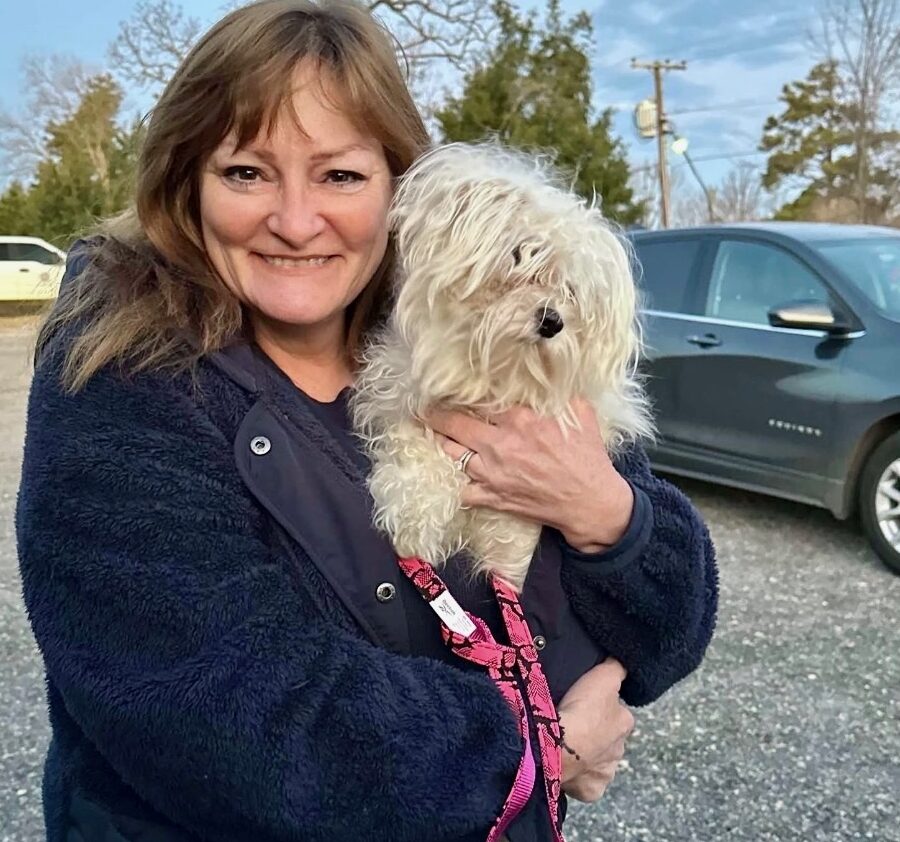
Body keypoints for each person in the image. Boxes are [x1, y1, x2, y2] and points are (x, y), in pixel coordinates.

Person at [15, 1, 718, 840]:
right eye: (246, 172)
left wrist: (607, 515)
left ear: (398, 186)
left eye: (340, 176)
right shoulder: (122, 376)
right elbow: (221, 717)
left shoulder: (472, 318)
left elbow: (669, 635)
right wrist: (537, 746)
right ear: (187, 179)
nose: (295, 221)